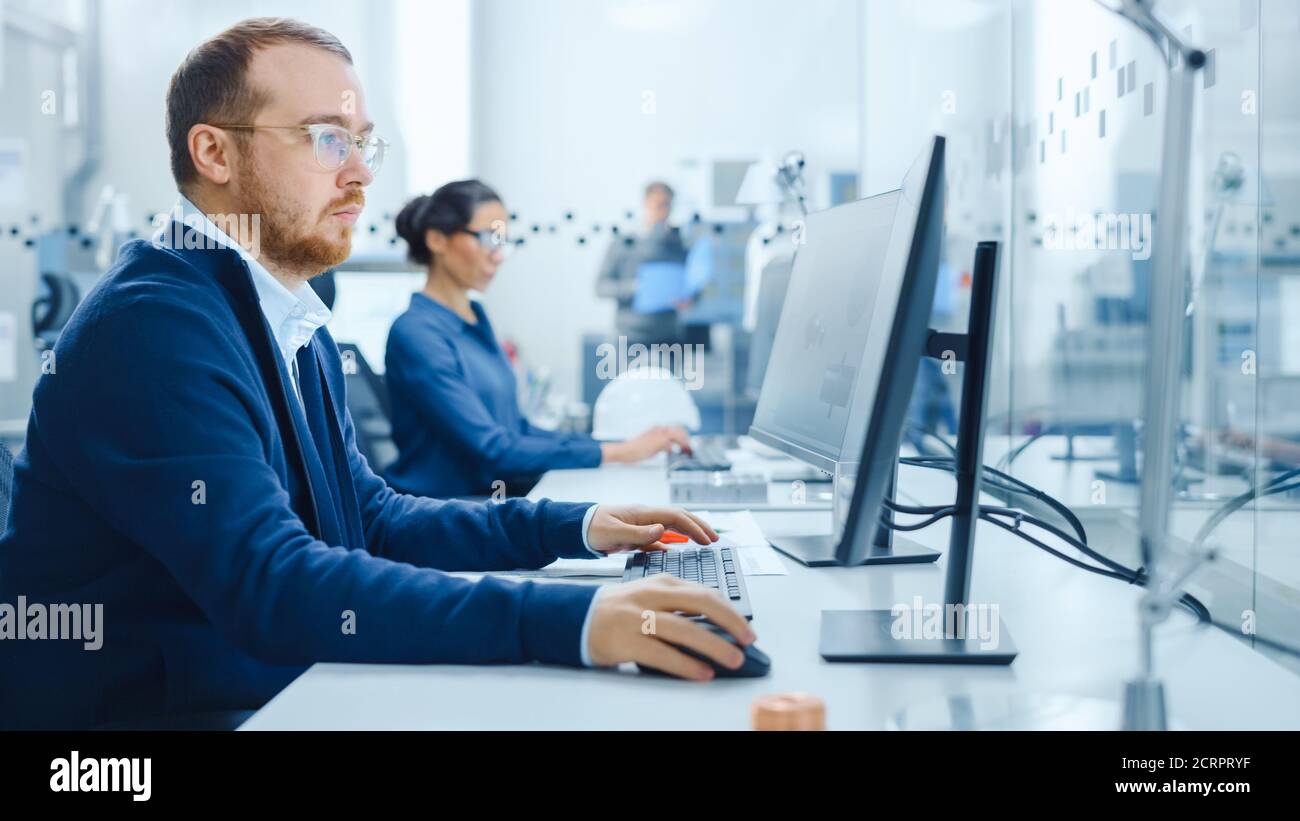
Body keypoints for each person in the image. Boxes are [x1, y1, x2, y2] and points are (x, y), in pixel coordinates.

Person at [0, 18, 753, 730]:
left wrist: (573, 527)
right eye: (327, 140)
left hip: (271, 693)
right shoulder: (154, 326)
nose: (361, 173)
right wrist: (569, 620)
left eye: (362, 144)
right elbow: (272, 582)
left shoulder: (287, 315)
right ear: (215, 154)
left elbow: (374, 518)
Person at [385, 180, 692, 500]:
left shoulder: (476, 319)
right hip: (446, 510)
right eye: (488, 238)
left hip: (489, 501)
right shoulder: (417, 333)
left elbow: (517, 429)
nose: (498, 256)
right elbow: (494, 449)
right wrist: (617, 452)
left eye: (503, 242)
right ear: (437, 239)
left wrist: (620, 444)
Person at [595, 181, 689, 344]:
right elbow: (601, 287)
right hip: (629, 336)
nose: (664, 212)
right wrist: (634, 287)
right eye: (659, 205)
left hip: (669, 336)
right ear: (646, 204)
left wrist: (688, 298)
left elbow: (691, 285)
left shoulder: (679, 246)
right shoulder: (624, 244)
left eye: (668, 206)